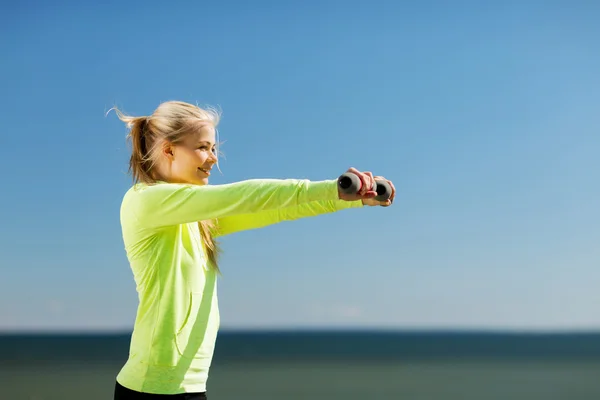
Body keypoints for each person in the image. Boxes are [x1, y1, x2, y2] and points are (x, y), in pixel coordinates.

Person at [110, 100, 396, 399]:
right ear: (169, 150)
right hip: (150, 390)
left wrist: (347, 198)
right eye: (203, 148)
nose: (213, 159)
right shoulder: (145, 201)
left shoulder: (197, 217)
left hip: (189, 387)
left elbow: (277, 209)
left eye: (214, 148)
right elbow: (247, 196)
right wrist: (330, 187)